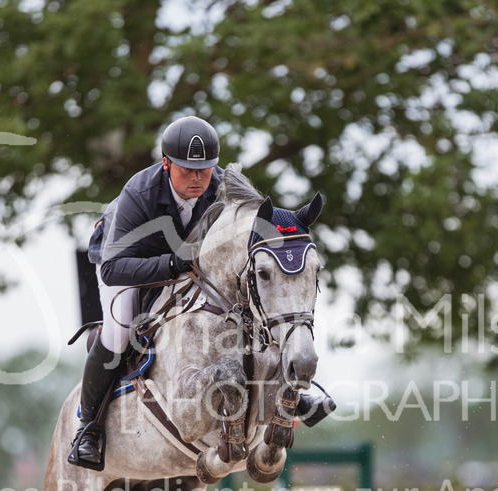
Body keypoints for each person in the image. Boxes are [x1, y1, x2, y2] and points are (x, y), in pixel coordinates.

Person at [70, 116, 334, 467]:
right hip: (126, 262)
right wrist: (173, 264)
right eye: (187, 170)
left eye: (204, 170)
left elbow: (259, 226)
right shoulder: (139, 193)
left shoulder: (221, 185)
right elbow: (112, 269)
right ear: (166, 163)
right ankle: (88, 427)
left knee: (249, 303)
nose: (197, 178)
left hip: (186, 263)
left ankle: (285, 389)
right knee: (120, 330)